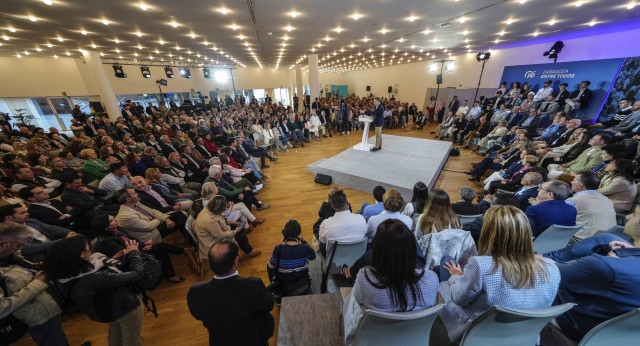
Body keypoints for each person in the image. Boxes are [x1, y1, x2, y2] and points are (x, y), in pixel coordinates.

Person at [432, 206, 560, 345]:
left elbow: (459, 299)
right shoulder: (552, 267)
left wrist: (456, 276)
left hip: (475, 332)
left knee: (442, 269)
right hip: (524, 336)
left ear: (488, 234)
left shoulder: (481, 265)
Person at [544, 206, 640, 341]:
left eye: (634, 215)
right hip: (621, 334)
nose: (628, 216)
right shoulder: (613, 265)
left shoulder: (604, 265)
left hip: (572, 322)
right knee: (606, 238)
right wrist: (630, 254)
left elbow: (543, 273)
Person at [343, 219, 438, 346]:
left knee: (351, 300)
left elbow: (357, 301)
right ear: (413, 248)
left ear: (376, 250)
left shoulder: (365, 278)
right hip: (415, 339)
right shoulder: (432, 278)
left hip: (373, 340)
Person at [44, 235, 145, 346]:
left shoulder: (65, 276)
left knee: (115, 333)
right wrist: (134, 253)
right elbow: (137, 273)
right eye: (87, 248)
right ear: (81, 255)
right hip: (126, 308)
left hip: (106, 311)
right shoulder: (96, 278)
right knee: (131, 340)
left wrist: (114, 261)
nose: (90, 249)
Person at [187, 237, 275, 345]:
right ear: (236, 260)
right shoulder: (253, 285)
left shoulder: (195, 292)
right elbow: (269, 305)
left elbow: (198, 314)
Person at [0, 222, 69, 345]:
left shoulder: (9, 256)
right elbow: (2, 308)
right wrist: (36, 284)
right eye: (19, 245)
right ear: (2, 244)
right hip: (34, 319)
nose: (21, 248)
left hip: (44, 310)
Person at [414, 189, 475, 270]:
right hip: (450, 261)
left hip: (429, 260)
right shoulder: (455, 219)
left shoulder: (423, 218)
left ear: (430, 202)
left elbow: (416, 239)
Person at [192, 195, 260, 261]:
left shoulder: (209, 209)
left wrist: (234, 223)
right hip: (211, 242)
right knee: (241, 237)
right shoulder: (209, 220)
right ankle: (247, 253)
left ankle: (242, 253)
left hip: (213, 234)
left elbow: (223, 217)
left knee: (239, 230)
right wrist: (235, 231)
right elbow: (220, 236)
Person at [266, 219, 316, 297]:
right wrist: (303, 240)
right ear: (299, 234)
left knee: (270, 266)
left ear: (284, 234)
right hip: (302, 281)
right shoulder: (304, 248)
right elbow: (313, 257)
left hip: (284, 284)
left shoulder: (278, 248)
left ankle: (277, 291)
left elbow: (270, 266)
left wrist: (283, 245)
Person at [566, 172, 617, 242]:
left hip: (581, 241)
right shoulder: (606, 199)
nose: (571, 182)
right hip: (608, 241)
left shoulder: (572, 201)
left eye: (574, 180)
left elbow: (558, 220)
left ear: (579, 185)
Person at [318, 190, 367, 256]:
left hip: (334, 258)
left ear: (332, 206)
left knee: (321, 243)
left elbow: (322, 240)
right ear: (347, 203)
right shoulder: (361, 219)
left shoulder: (326, 224)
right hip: (357, 256)